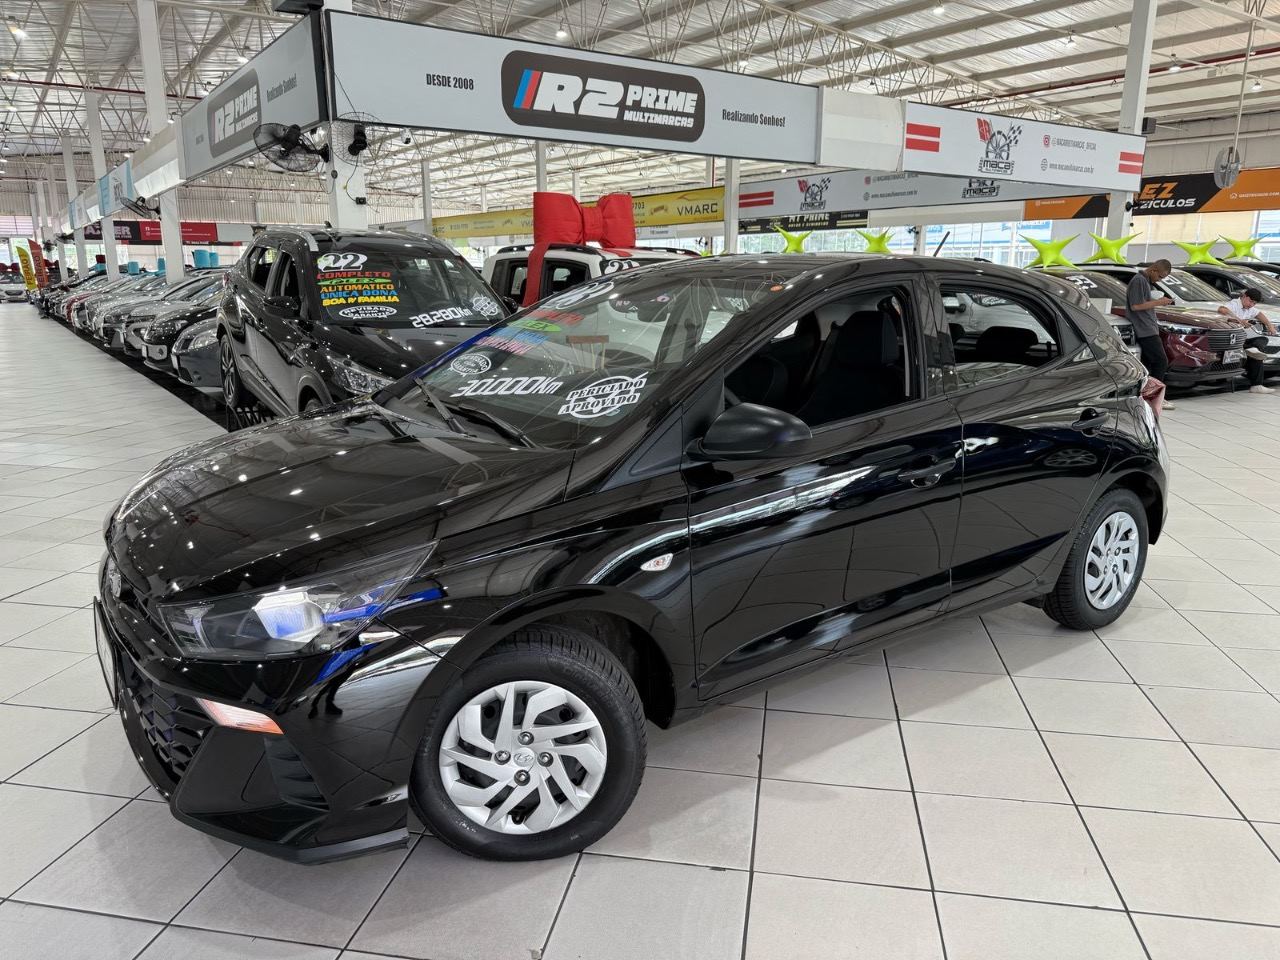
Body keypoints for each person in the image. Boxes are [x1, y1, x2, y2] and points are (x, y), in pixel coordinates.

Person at [1126, 259, 1176, 410]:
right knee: (1161, 361)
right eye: (1160, 276)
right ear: (1153, 270)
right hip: (1144, 329)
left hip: (1149, 327)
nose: (1159, 280)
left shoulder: (1145, 282)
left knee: (1148, 364)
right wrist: (1159, 302)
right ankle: (1156, 397)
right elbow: (1136, 306)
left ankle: (1147, 396)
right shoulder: (1139, 280)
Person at [1218, 286, 1278, 395]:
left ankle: (1257, 385)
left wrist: (1269, 325)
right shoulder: (1234, 304)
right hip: (1231, 341)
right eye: (1250, 301)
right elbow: (1222, 309)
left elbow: (1259, 314)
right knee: (1255, 352)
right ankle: (1256, 384)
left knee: (1261, 342)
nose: (1251, 305)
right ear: (1244, 296)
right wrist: (1239, 320)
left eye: (1254, 303)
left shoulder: (1249, 308)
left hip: (1242, 340)